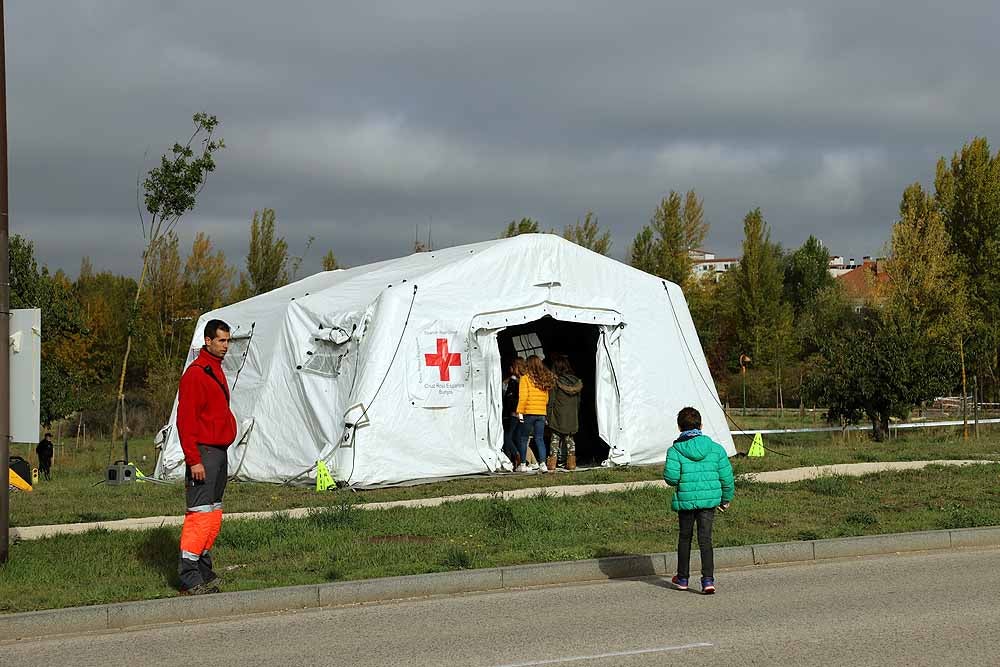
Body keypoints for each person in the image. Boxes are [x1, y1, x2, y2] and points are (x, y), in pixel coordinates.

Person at [176, 319, 238, 595]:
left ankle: (203, 569)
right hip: (203, 453)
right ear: (208, 341)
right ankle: (189, 577)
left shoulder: (214, 370)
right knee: (200, 515)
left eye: (228, 341)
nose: (226, 346)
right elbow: (185, 421)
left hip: (218, 452)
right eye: (222, 341)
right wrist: (194, 460)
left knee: (212, 514)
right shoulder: (196, 374)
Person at [663, 406, 734, 595]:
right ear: (701, 425)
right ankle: (708, 580)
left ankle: (683, 578)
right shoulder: (716, 449)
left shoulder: (675, 451)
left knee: (685, 538)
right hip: (709, 503)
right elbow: (726, 478)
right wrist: (725, 499)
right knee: (705, 540)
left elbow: (671, 478)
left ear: (679, 428)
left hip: (686, 501)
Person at [516, 355, 557, 473]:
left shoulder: (525, 378)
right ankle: (543, 464)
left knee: (523, 438)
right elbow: (546, 399)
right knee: (539, 439)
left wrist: (520, 411)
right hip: (541, 413)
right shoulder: (543, 379)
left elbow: (523, 397)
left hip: (529, 412)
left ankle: (523, 464)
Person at [546, 356, 583, 470]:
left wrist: (548, 414)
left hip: (558, 413)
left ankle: (552, 463)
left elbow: (551, 400)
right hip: (572, 413)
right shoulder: (576, 382)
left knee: (555, 438)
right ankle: (571, 463)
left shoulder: (555, 382)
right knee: (570, 438)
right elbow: (578, 401)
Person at [502, 357, 526, 469]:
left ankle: (515, 454)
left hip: (513, 412)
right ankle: (520, 460)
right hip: (523, 412)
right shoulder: (526, 380)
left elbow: (510, 398)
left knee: (507, 436)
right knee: (518, 437)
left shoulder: (513, 382)